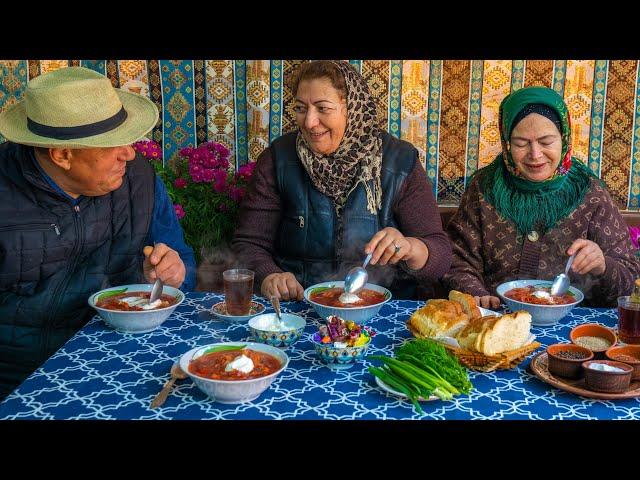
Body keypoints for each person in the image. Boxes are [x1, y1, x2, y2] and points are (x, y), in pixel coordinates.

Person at [0, 66, 196, 399]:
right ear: (63, 155)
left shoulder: (137, 180)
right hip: (20, 376)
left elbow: (184, 266)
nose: (130, 153)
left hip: (123, 357)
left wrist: (174, 273)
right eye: (112, 145)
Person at [232, 60, 451, 301]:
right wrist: (270, 275)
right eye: (301, 108)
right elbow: (249, 244)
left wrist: (411, 247)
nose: (309, 122)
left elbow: (440, 255)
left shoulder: (400, 162)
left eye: (322, 108)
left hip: (383, 310)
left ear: (352, 108)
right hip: (299, 307)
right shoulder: (278, 159)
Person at [443, 86, 640, 308]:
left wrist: (603, 265)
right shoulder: (484, 187)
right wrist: (476, 294)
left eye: (546, 142)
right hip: (497, 321)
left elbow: (629, 281)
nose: (535, 155)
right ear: (506, 142)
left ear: (564, 138)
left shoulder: (590, 192)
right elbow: (457, 259)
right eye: (521, 143)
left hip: (571, 325)